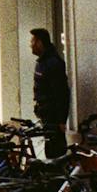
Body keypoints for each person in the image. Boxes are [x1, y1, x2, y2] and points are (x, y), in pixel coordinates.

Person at [30, 28, 70, 159]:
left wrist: (61, 120)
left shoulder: (53, 63)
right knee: (50, 150)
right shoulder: (42, 62)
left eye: (33, 41)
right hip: (46, 116)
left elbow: (61, 93)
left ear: (40, 42)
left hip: (53, 117)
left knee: (55, 152)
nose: (30, 44)